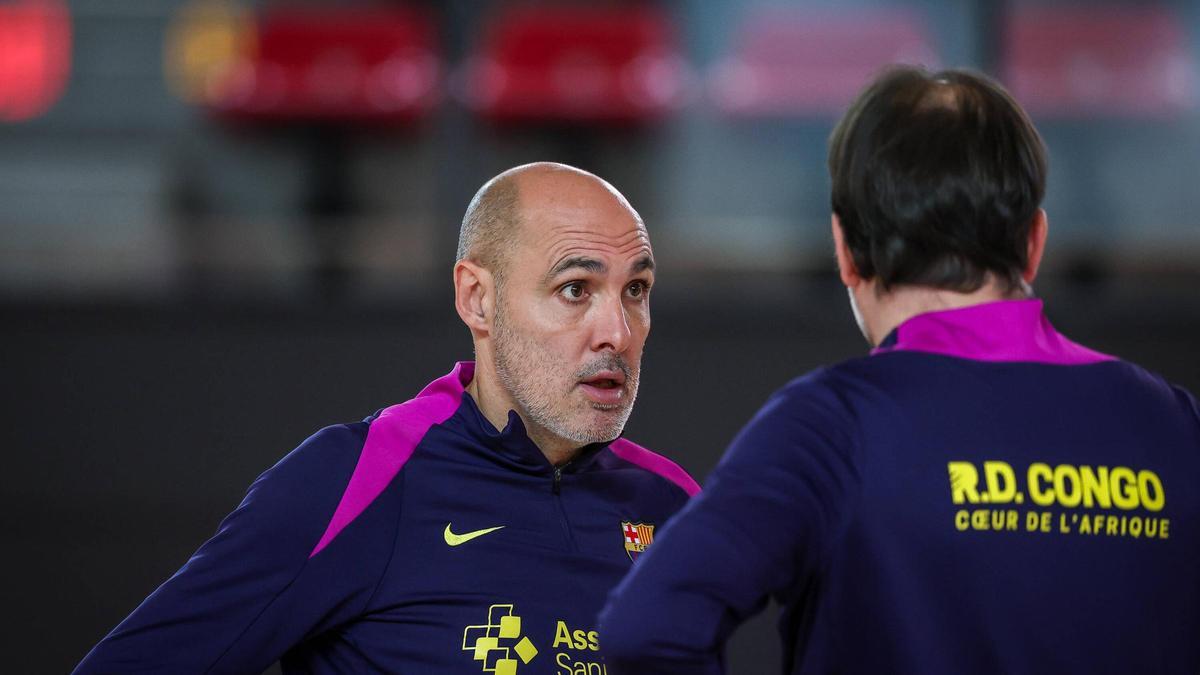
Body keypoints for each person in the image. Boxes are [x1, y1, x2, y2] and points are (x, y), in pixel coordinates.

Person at [599, 66, 1200, 674]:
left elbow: (647, 630)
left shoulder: (830, 429)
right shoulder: (1174, 424)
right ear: (1034, 243)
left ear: (845, 249)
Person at [74, 162, 699, 674]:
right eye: (575, 290)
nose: (616, 331)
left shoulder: (676, 507)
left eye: (635, 291)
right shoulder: (354, 481)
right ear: (477, 299)